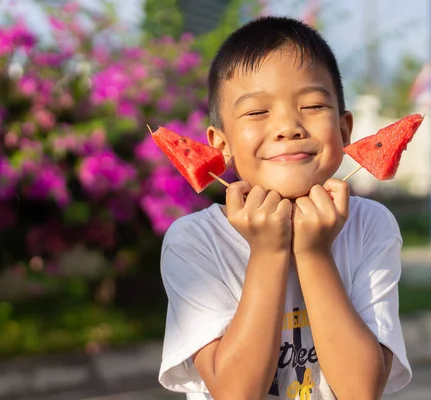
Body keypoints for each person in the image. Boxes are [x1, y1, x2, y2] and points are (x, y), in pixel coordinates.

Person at [157, 15, 412, 400]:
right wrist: (268, 250)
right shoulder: (194, 241)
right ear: (220, 143)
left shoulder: (370, 226)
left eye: (311, 105)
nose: (288, 126)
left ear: (344, 130)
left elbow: (361, 391)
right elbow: (235, 393)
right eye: (258, 112)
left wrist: (313, 253)